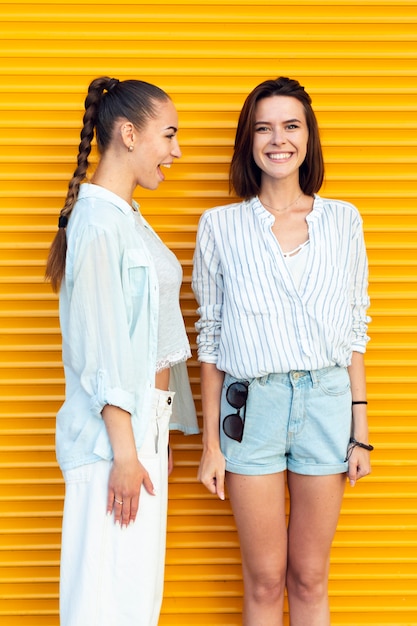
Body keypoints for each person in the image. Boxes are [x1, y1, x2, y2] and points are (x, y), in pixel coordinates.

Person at [192, 76, 373, 626]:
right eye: (263, 128)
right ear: (249, 140)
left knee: (311, 576)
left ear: (308, 136)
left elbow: (356, 329)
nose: (278, 139)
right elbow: (212, 337)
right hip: (251, 411)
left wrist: (359, 427)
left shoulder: (343, 220)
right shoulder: (219, 227)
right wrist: (210, 445)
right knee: (266, 579)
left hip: (326, 403)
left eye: (290, 126)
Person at [45, 76, 198, 626]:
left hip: (138, 436)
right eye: (169, 135)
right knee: (103, 605)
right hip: (115, 444)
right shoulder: (98, 224)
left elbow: (148, 335)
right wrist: (128, 452)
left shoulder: (126, 217)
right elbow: (102, 349)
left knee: (132, 602)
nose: (176, 151)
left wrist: (155, 437)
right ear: (130, 134)